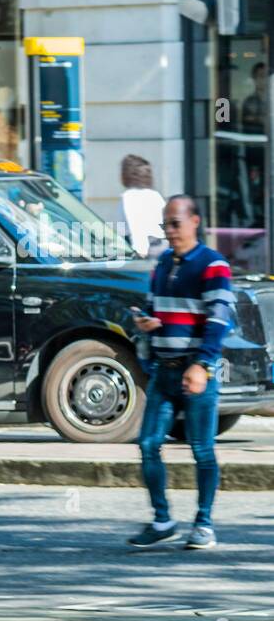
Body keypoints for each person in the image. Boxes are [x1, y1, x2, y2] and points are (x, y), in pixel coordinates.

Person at [130, 194, 234, 551]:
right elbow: (154, 307)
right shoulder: (162, 264)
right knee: (147, 444)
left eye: (175, 223)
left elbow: (219, 319)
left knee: (202, 449)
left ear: (195, 222)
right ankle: (163, 520)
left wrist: (202, 364)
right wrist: (148, 323)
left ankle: (203, 524)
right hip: (164, 372)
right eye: (165, 224)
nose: (170, 231)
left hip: (196, 373)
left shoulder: (213, 265)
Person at [116, 155, 166, 259]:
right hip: (163, 246)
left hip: (146, 252)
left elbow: (135, 228)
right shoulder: (156, 195)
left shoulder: (129, 197)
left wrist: (140, 253)